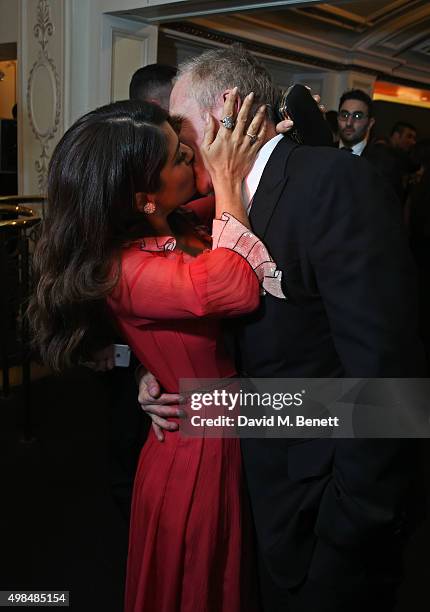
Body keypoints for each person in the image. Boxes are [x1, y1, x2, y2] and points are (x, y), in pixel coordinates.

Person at [139, 46, 426, 612]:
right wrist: (162, 384)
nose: (173, 142)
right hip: (250, 490)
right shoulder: (212, 206)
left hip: (322, 506)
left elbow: (386, 373)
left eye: (181, 125)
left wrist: (350, 523)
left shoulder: (334, 182)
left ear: (224, 109)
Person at [28, 95, 288, 611]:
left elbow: (210, 214)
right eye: (178, 157)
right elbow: (234, 288)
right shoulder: (124, 268)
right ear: (143, 196)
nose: (192, 156)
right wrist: (229, 179)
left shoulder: (169, 222)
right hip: (198, 449)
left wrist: (253, 152)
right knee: (197, 583)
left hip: (212, 419)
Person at [337, 89, 375, 154]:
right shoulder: (323, 152)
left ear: (370, 123)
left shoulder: (381, 161)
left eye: (357, 116)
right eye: (344, 115)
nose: (348, 123)